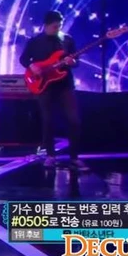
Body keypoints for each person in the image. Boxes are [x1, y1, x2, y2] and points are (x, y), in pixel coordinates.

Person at [19, 10, 86, 170]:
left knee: (74, 120)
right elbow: (24, 59)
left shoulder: (67, 40)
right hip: (44, 85)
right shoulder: (35, 42)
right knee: (48, 120)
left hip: (65, 85)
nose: (57, 29)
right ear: (46, 25)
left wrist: (72, 62)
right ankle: (50, 155)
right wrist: (32, 66)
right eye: (55, 26)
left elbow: (76, 61)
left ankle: (74, 157)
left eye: (59, 26)